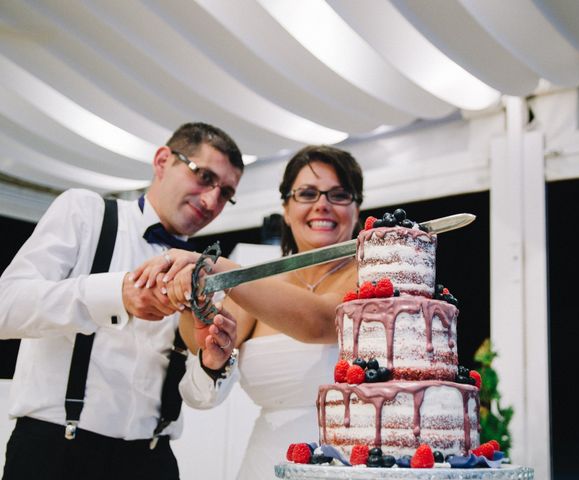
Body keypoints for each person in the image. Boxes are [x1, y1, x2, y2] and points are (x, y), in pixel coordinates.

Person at [0, 122, 243, 480]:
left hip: (151, 460)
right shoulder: (85, 213)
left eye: (225, 193)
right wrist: (117, 295)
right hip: (55, 454)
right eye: (205, 177)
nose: (211, 201)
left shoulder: (201, 271)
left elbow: (197, 398)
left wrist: (211, 363)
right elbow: (7, 306)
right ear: (163, 160)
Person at [132, 145, 364, 479]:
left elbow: (323, 322)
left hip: (353, 466)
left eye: (339, 194)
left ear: (357, 208)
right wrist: (190, 298)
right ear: (286, 207)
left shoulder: (375, 276)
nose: (322, 204)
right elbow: (202, 346)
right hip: (265, 464)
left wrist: (217, 267)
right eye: (307, 193)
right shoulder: (261, 286)